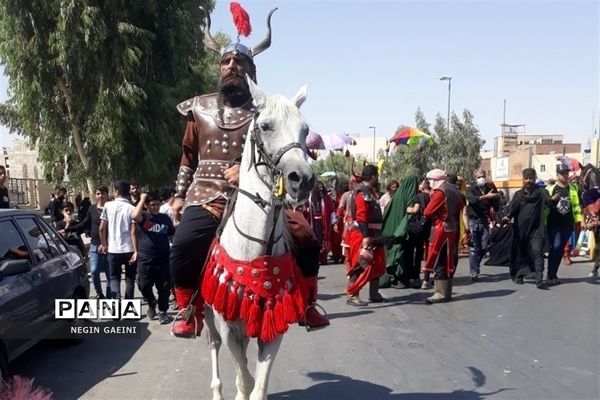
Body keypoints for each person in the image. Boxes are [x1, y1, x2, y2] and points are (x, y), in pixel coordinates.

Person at [168, 7, 328, 338]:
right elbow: (187, 156)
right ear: (219, 67)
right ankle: (187, 310)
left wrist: (246, 172)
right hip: (206, 194)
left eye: (239, 63)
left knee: (306, 238)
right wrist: (179, 197)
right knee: (184, 244)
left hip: (257, 193)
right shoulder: (197, 107)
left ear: (250, 69)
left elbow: (279, 150)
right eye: (226, 62)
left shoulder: (265, 110)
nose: (232, 67)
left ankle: (309, 306)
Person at [502, 168, 553, 289]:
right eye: (526, 178)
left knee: (537, 251)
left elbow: (549, 202)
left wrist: (554, 200)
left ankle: (539, 279)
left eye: (531, 178)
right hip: (520, 230)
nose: (528, 180)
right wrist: (507, 217)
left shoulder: (541, 192)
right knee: (520, 253)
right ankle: (519, 275)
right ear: (523, 179)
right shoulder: (518, 195)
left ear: (534, 179)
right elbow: (512, 209)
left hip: (536, 229)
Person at [421, 169, 464, 303]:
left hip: (441, 227)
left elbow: (428, 211)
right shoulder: (454, 189)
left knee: (439, 258)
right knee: (448, 258)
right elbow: (460, 205)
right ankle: (447, 292)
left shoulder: (440, 192)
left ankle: (440, 293)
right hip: (451, 226)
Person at [345, 165, 386, 306]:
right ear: (373, 176)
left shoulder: (370, 192)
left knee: (377, 263)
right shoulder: (361, 192)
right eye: (377, 176)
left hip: (374, 234)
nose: (378, 178)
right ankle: (352, 294)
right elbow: (361, 217)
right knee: (360, 264)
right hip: (363, 234)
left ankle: (374, 293)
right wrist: (366, 237)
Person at [132, 192, 176, 325]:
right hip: (145, 259)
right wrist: (142, 199)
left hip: (163, 258)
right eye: (152, 205)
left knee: (164, 287)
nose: (156, 207)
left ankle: (163, 311)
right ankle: (152, 303)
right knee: (143, 285)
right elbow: (134, 215)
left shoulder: (165, 218)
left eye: (158, 204)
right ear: (146, 205)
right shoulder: (144, 216)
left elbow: (172, 232)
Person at [64, 185, 111, 298]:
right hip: (95, 245)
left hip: (110, 246)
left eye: (103, 193)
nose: (101, 196)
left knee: (110, 274)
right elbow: (84, 223)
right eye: (98, 193)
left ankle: (109, 297)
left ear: (107, 195)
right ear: (95, 195)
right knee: (94, 271)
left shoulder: (111, 208)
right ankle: (99, 293)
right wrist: (68, 229)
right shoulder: (92, 209)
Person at [99, 180, 137, 300]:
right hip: (129, 249)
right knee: (130, 278)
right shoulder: (132, 208)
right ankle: (128, 307)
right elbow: (133, 231)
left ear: (115, 191)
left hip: (113, 249)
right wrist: (136, 251)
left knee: (114, 277)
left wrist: (104, 244)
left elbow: (101, 228)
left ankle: (116, 302)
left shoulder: (108, 206)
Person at [379, 175, 418, 288]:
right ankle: (399, 279)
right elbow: (410, 211)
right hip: (400, 231)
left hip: (393, 230)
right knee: (400, 253)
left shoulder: (398, 196)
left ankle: (396, 278)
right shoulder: (408, 197)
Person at [545, 164, 582, 285]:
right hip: (553, 224)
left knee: (561, 250)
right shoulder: (550, 189)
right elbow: (545, 205)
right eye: (563, 173)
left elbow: (578, 205)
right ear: (557, 175)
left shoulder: (574, 188)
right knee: (555, 248)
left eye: (567, 173)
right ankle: (550, 275)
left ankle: (554, 274)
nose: (566, 175)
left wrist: (579, 220)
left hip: (568, 224)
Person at [465, 169, 500, 281]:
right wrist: (485, 197)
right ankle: (474, 272)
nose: (482, 178)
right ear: (475, 178)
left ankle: (476, 264)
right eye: (479, 176)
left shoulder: (489, 189)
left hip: (484, 220)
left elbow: (496, 206)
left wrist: (496, 197)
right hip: (473, 220)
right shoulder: (471, 189)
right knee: (474, 248)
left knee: (484, 247)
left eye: (483, 176)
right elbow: (472, 200)